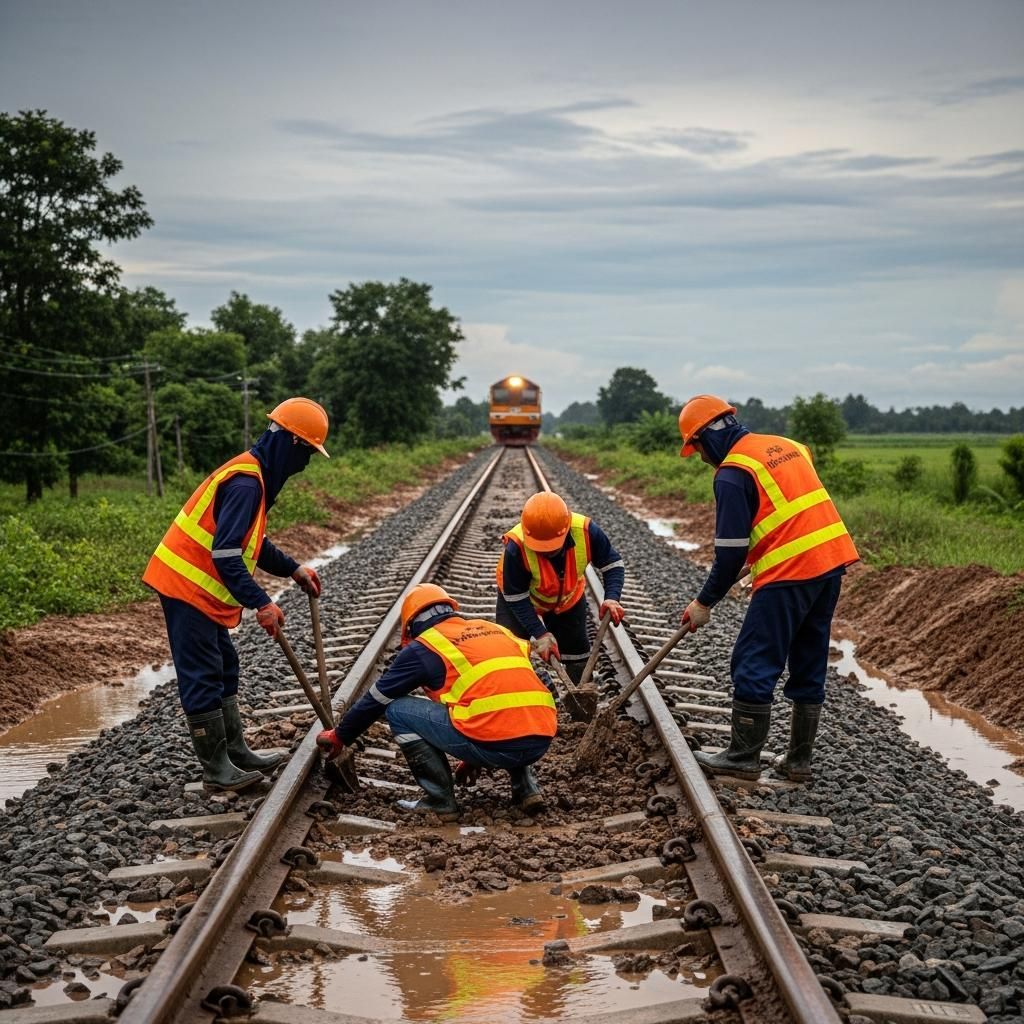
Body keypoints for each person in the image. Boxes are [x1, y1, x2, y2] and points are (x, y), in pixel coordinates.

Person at [143, 397, 330, 792]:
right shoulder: (247, 482)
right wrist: (262, 602)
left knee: (225, 665)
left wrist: (293, 568)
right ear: (291, 444)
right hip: (186, 586)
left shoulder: (255, 476)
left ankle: (236, 750)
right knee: (203, 673)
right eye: (308, 453)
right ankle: (216, 770)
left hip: (201, 590)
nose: (306, 464)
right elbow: (227, 554)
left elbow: (252, 542)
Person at [676, 395, 859, 782]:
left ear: (708, 437)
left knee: (753, 661)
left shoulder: (731, 473)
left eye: (698, 448)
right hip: (830, 562)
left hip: (789, 572)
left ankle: (743, 757)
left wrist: (703, 602)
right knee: (809, 658)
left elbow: (728, 555)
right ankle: (798, 762)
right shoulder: (789, 446)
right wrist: (761, 550)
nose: (703, 458)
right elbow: (789, 511)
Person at [316, 583, 557, 820]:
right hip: (540, 738)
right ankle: (527, 788)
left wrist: (341, 736)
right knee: (517, 711)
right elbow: (501, 692)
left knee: (398, 710)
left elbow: (377, 698)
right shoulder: (495, 630)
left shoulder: (426, 645)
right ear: (450, 609)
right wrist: (471, 755)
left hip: (494, 742)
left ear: (411, 625)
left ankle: (439, 800)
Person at [495, 492, 626, 684]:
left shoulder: (586, 531)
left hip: (567, 599)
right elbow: (516, 596)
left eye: (551, 547)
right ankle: (520, 697)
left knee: (578, 656)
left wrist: (612, 597)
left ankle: (581, 704)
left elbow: (612, 564)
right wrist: (540, 633)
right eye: (541, 548)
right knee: (510, 653)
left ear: (565, 532)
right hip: (518, 599)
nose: (547, 552)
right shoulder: (516, 546)